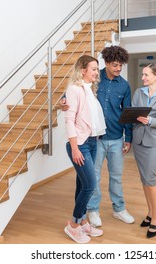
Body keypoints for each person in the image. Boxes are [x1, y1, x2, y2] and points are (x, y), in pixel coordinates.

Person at [61, 45, 134, 227]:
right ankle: (93, 211)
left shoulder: (124, 85)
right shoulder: (95, 77)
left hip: (116, 137)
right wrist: (63, 100)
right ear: (107, 63)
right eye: (115, 65)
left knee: (116, 176)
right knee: (93, 178)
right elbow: (74, 90)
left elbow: (127, 112)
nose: (118, 68)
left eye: (121, 66)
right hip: (95, 139)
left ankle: (119, 209)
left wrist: (128, 137)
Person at [63, 55, 106, 244]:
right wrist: (74, 148)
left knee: (82, 184)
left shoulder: (89, 90)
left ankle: (82, 222)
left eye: (97, 69)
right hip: (80, 144)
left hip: (92, 142)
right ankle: (72, 226)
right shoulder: (74, 89)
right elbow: (69, 120)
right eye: (94, 69)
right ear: (83, 70)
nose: (97, 72)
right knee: (90, 185)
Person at [131, 63, 156, 238]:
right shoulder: (138, 93)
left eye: (146, 75)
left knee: (151, 178)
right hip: (139, 141)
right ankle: (149, 212)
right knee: (144, 179)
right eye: (142, 74)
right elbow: (133, 114)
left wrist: (149, 121)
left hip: (154, 142)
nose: (143, 78)